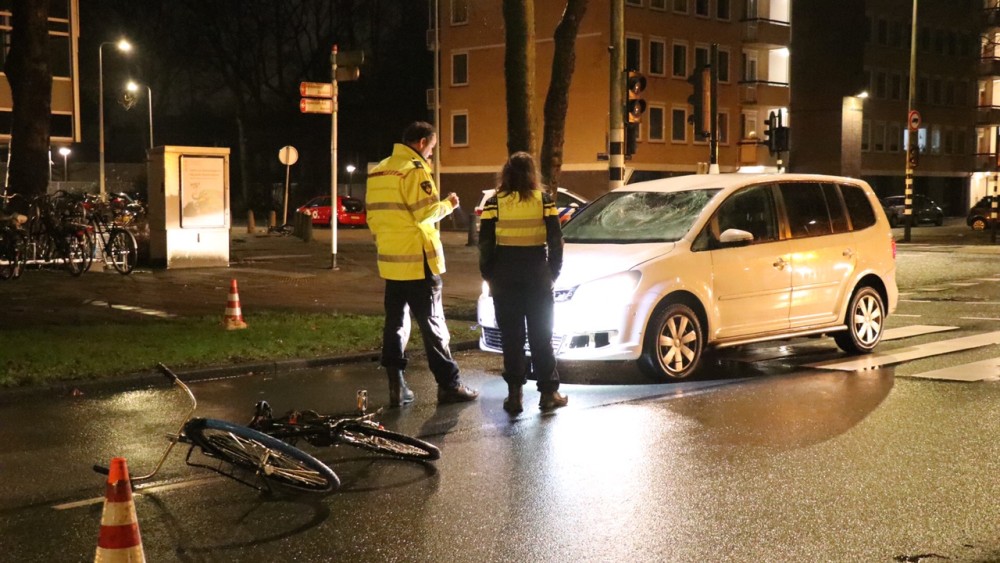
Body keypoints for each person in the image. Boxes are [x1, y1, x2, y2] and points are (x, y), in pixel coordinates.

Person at [366, 121, 479, 407]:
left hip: (392, 262)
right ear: (420, 142)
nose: (431, 153)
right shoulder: (414, 170)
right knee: (433, 325)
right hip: (418, 260)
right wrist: (449, 204)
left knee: (395, 324)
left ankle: (397, 386)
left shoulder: (379, 170)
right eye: (431, 146)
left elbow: (373, 216)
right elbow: (425, 213)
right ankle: (449, 385)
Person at [478, 152, 566, 413]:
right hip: (537, 275)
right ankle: (548, 394)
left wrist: (489, 274)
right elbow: (555, 241)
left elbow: (485, 244)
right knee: (541, 336)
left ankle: (515, 396)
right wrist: (553, 272)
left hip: (505, 277)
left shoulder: (495, 203)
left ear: (506, 172)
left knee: (512, 338)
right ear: (532, 173)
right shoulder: (543, 201)